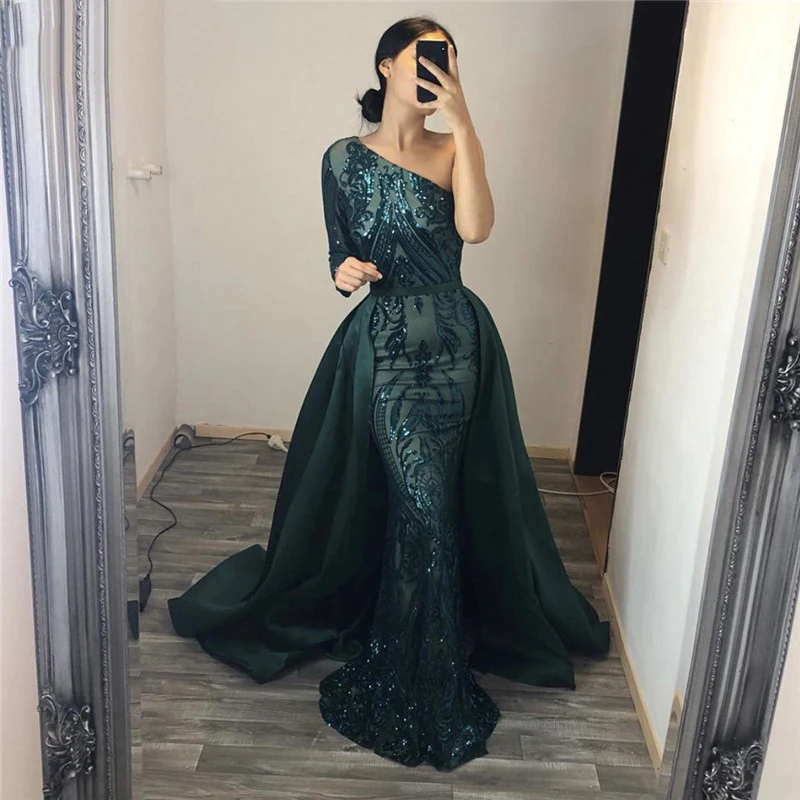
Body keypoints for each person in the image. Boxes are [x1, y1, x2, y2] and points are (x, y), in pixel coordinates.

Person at [167, 16, 611, 773]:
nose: (438, 70)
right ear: (386, 66)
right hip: (384, 346)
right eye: (425, 56)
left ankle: (426, 654)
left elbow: (477, 228)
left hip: (457, 344)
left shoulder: (455, 146)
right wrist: (342, 272)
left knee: (432, 503)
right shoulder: (341, 160)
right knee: (421, 504)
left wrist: (465, 124)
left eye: (450, 59)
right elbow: (340, 255)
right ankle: (414, 664)